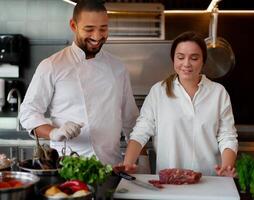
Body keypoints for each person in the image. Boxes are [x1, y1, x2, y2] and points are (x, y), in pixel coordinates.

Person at [19, 0, 139, 165]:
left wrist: (143, 159)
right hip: (67, 167)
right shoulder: (52, 65)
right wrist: (54, 132)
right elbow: (28, 113)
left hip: (111, 166)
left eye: (103, 29)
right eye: (89, 29)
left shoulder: (118, 67)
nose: (97, 37)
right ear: (73, 26)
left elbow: (131, 120)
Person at [121, 31, 238, 176]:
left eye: (194, 58)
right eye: (180, 57)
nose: (186, 64)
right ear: (173, 60)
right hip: (170, 181)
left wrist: (226, 166)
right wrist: (127, 163)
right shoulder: (159, 91)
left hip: (210, 179)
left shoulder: (218, 93)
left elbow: (227, 136)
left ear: (203, 61)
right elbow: (140, 132)